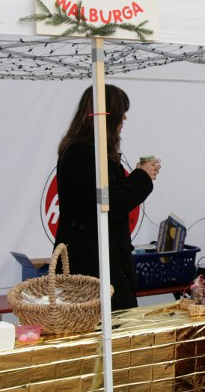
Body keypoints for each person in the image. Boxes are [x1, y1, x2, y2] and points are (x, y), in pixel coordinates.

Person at [55, 85, 160, 311]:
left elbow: (106, 195)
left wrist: (137, 175)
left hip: (93, 257)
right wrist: (142, 177)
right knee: (111, 332)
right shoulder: (85, 152)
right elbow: (109, 203)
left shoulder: (81, 149)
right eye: (122, 110)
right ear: (108, 114)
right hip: (95, 262)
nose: (125, 117)